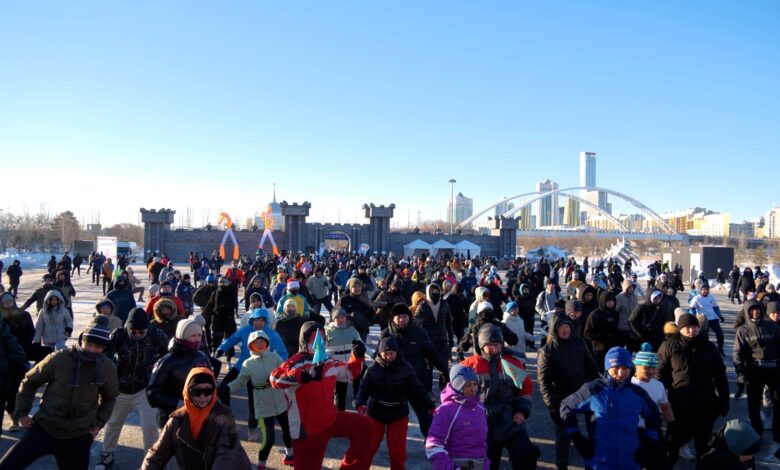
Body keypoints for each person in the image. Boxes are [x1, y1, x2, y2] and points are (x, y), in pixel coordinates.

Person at [0, 322, 118, 470]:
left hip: (78, 435)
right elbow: (30, 381)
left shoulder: (107, 367)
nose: (92, 350)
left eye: (98, 347)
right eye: (89, 344)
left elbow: (110, 397)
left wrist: (98, 424)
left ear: (104, 348)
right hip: (45, 428)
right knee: (7, 466)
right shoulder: (60, 358)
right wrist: (22, 413)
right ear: (81, 341)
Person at [270, 321, 373, 470]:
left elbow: (348, 374)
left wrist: (357, 357)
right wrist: (304, 375)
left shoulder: (327, 361)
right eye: (314, 340)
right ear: (305, 341)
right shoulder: (297, 362)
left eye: (322, 339)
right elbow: (275, 378)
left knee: (366, 427)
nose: (319, 343)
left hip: (331, 419)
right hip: (308, 430)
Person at [560, 347, 663, 470]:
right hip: (599, 461)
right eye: (616, 367)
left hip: (630, 461)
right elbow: (566, 407)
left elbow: (654, 416)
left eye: (625, 368)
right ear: (607, 367)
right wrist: (577, 438)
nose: (621, 373)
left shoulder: (637, 393)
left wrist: (649, 443)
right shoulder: (593, 389)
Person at [96, 307, 169, 470]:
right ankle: (106, 455)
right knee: (113, 423)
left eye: (141, 332)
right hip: (121, 387)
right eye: (133, 331)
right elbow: (105, 357)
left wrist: (159, 376)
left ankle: (151, 462)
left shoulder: (156, 334)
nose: (137, 334)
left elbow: (168, 355)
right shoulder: (118, 334)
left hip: (145, 388)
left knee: (149, 427)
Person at [460, 324, 539, 469]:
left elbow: (526, 388)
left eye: (496, 344)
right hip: (482, 423)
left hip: (510, 419)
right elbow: (455, 394)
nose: (494, 349)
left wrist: (522, 411)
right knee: (487, 464)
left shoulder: (511, 363)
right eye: (489, 345)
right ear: (481, 345)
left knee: (526, 456)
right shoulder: (468, 366)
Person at [141, 366, 251, 470]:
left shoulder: (224, 414)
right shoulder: (177, 420)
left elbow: (226, 455)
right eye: (196, 391)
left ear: (214, 391)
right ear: (187, 392)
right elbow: (158, 453)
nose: (202, 396)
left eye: (208, 390)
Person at [658, 313, 729, 463]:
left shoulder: (708, 346)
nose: (691, 330)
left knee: (704, 446)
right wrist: (660, 399)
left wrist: (724, 399)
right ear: (680, 329)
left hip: (705, 404)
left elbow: (720, 374)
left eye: (694, 327)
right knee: (673, 444)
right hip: (679, 405)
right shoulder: (669, 346)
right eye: (687, 327)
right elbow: (659, 374)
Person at [357, 336, 434, 470]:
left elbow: (418, 389)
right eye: (385, 353)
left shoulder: (406, 368)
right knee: (368, 447)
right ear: (380, 353)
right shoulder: (373, 369)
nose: (388, 356)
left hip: (398, 413)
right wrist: (360, 403)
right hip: (376, 412)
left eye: (391, 353)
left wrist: (430, 406)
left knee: (397, 451)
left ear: (397, 352)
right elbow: (364, 387)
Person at [537, 314, 599, 470]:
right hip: (563, 398)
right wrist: (553, 406)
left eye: (567, 327)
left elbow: (592, 367)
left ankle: (595, 462)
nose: (565, 330)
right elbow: (544, 382)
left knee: (596, 429)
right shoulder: (547, 351)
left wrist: (598, 389)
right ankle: (562, 465)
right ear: (554, 330)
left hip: (585, 394)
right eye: (561, 327)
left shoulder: (579, 343)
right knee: (564, 435)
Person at [380, 303, 448, 437]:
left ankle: (432, 440)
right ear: (393, 318)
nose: (402, 320)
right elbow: (380, 359)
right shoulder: (386, 335)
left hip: (416, 380)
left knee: (425, 414)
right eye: (399, 317)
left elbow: (432, 353)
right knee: (392, 417)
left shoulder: (419, 333)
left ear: (409, 317)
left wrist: (444, 370)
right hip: (394, 382)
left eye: (404, 316)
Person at [228, 330, 293, 469]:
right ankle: (261, 464)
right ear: (250, 345)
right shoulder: (248, 363)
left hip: (279, 399)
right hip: (262, 404)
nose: (259, 344)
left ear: (267, 342)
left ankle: (290, 454)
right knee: (269, 439)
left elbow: (285, 371)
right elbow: (240, 382)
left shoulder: (274, 356)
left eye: (261, 341)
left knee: (288, 430)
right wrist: (226, 388)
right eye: (255, 342)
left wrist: (287, 377)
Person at [147, 319, 215, 427]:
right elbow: (152, 393)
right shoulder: (167, 361)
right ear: (182, 337)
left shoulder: (202, 357)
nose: (197, 339)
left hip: (199, 415)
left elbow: (211, 382)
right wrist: (178, 404)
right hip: (172, 417)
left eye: (199, 335)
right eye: (193, 336)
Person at [426, 364, 490, 469]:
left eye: (475, 384)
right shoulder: (446, 411)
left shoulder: (479, 406)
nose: (473, 389)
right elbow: (433, 446)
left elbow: (481, 440)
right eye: (468, 385)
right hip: (457, 464)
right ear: (458, 386)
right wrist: (452, 468)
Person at [733, 299, 780, 439]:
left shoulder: (772, 326)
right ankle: (757, 432)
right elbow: (737, 353)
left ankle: (777, 431)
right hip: (755, 370)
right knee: (753, 405)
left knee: (778, 402)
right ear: (747, 312)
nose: (755, 312)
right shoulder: (743, 330)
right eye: (752, 310)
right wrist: (740, 372)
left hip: (773, 369)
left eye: (757, 309)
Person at [631, 343, 677, 465]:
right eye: (647, 367)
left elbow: (665, 406)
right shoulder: (629, 385)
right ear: (637, 365)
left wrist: (671, 423)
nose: (651, 371)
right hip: (633, 432)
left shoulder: (658, 385)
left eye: (653, 367)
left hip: (654, 430)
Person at [0, 304, 28, 438]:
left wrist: (23, 366)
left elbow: (19, 354)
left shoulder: (7, 338)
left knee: (6, 400)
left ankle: (14, 418)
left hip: (4, 378)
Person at [326, 307, 363, 410]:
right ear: (334, 318)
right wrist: (327, 354)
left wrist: (373, 354)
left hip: (348, 365)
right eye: (338, 317)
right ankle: (333, 410)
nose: (341, 320)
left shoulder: (352, 330)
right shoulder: (328, 332)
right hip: (334, 365)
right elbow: (321, 349)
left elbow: (361, 344)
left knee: (342, 391)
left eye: (343, 317)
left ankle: (341, 411)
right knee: (334, 391)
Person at [697, 419, 762, 469]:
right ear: (734, 447)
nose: (751, 457)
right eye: (748, 454)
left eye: (752, 454)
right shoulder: (709, 462)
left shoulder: (745, 457)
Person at [583, 291, 622, 371]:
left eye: (612, 300)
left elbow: (616, 330)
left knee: (612, 370)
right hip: (599, 349)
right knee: (600, 371)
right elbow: (587, 333)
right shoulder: (595, 314)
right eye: (608, 300)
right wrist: (601, 337)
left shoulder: (615, 314)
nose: (611, 302)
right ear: (603, 301)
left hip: (612, 348)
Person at [205, 276, 239, 357]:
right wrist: (203, 315)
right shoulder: (215, 292)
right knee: (216, 335)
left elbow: (231, 304)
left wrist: (217, 309)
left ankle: (229, 356)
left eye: (224, 282)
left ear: (228, 283)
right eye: (220, 282)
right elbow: (209, 305)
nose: (222, 284)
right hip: (218, 318)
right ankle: (214, 351)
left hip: (229, 318)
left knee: (230, 338)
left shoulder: (232, 292)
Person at [689, 281, 725, 355]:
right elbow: (692, 309)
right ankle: (705, 350)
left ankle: (720, 349)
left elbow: (716, 307)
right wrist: (693, 317)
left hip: (713, 318)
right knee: (704, 336)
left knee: (720, 334)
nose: (705, 291)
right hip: (703, 319)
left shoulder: (711, 297)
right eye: (704, 289)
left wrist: (720, 316)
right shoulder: (697, 298)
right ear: (701, 290)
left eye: (707, 289)